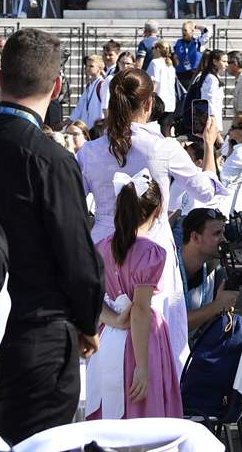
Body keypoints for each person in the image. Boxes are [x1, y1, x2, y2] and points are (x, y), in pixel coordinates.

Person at [0, 29, 104, 445]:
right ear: (56, 88)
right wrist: (88, 320)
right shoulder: (50, 158)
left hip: (22, 325)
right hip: (36, 332)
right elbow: (75, 253)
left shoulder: (47, 155)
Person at [79, 67, 220, 367]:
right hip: (151, 247)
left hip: (103, 247)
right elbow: (207, 192)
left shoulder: (90, 151)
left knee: (106, 341)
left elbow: (75, 202)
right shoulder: (163, 147)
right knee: (159, 335)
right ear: (147, 104)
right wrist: (208, 146)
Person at [85, 173, 183, 420]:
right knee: (142, 411)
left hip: (108, 338)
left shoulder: (102, 246)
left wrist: (114, 320)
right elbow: (140, 309)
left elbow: (93, 298)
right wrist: (141, 366)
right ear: (158, 210)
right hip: (141, 342)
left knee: (109, 406)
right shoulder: (151, 251)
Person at [70, 52, 108, 128]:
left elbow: (106, 107)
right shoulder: (89, 85)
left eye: (91, 66)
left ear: (100, 68)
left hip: (98, 128)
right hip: (87, 127)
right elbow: (80, 106)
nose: (87, 68)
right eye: (86, 66)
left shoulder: (102, 85)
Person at [146, 41, 178, 131]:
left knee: (156, 131)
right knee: (166, 130)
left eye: (153, 49)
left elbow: (153, 82)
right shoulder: (170, 65)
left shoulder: (155, 63)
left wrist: (148, 98)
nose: (152, 51)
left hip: (158, 102)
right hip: (170, 102)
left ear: (158, 49)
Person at [197, 48, 226, 129]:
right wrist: (212, 117)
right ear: (215, 62)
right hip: (211, 119)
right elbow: (209, 99)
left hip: (213, 117)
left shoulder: (214, 77)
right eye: (223, 61)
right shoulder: (211, 79)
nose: (226, 64)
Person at [173, 21, 205, 94]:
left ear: (192, 31)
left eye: (185, 30)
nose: (183, 32)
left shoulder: (198, 42)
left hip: (194, 74)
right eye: (182, 30)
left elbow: (208, 33)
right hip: (181, 74)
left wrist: (197, 26)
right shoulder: (177, 43)